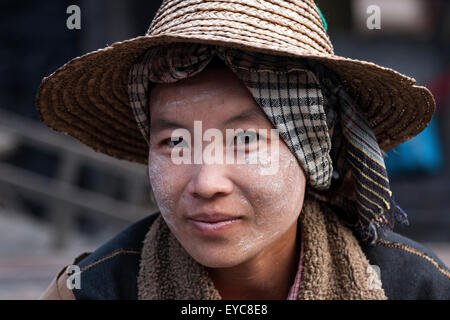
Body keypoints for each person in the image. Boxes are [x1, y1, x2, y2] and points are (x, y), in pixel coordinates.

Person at [37, 0, 450, 300]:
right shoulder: (93, 289)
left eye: (246, 140)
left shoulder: (412, 287)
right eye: (176, 142)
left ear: (313, 153)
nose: (207, 183)